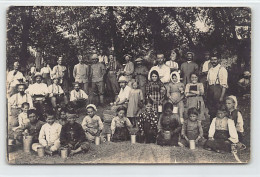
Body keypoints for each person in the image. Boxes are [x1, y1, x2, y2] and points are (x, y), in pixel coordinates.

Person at [207, 53, 228, 121]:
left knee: (219, 109)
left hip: (218, 91)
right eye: (212, 60)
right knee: (211, 110)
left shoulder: (222, 69)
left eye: (215, 59)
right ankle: (212, 126)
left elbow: (224, 85)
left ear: (218, 60)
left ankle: (220, 126)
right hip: (210, 91)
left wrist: (221, 97)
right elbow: (208, 82)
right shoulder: (210, 69)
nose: (213, 61)